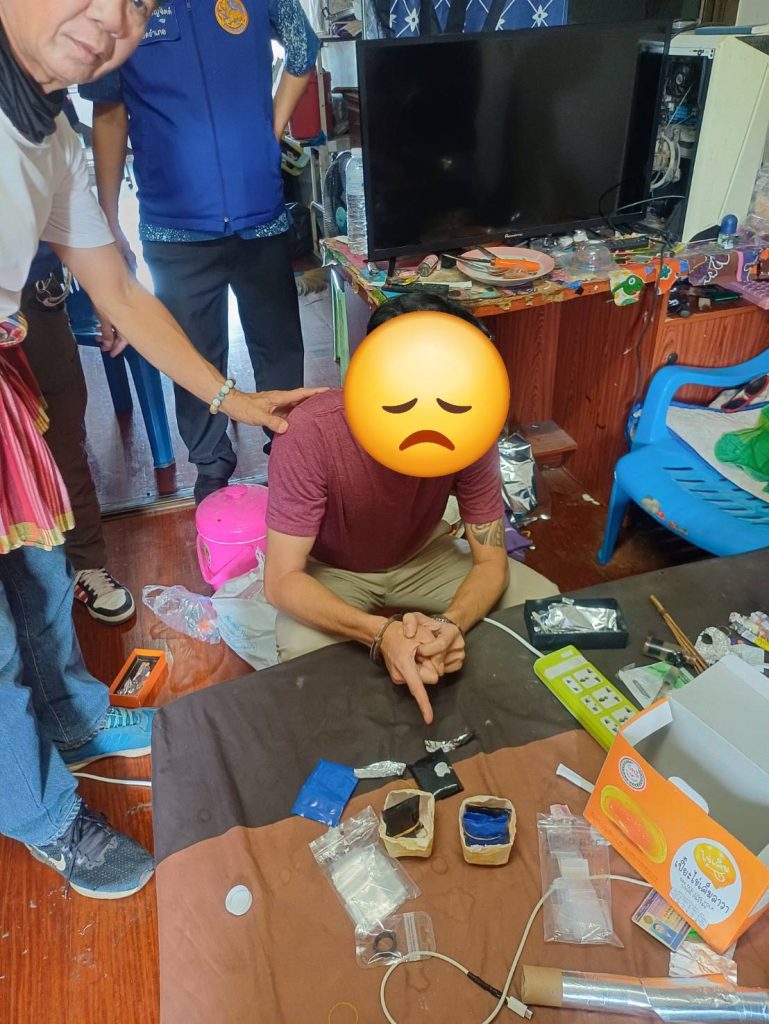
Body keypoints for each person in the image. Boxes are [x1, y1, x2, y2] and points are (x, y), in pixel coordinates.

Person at [0, 0, 321, 898]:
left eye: (138, 6)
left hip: (4, 374)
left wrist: (233, 396)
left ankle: (72, 717)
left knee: (36, 577)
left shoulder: (51, 134)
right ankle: (42, 816)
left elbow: (123, 296)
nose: (113, 19)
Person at [264, 293, 559, 726]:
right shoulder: (309, 431)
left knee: (544, 604)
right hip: (335, 570)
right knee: (300, 653)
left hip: (422, 555)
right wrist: (380, 633)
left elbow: (491, 561)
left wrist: (451, 626)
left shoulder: (471, 426)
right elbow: (281, 580)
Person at [80, 0, 320, 502]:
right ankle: (211, 466)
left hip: (261, 213)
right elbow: (109, 111)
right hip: (174, 224)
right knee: (191, 352)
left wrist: (270, 132)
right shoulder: (125, 8)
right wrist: (108, 220)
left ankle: (289, 452)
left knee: (279, 347)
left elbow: (303, 49)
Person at [21, 243, 135, 623]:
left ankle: (86, 563)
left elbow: (76, 225)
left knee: (64, 443)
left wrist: (104, 295)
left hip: (33, 293)